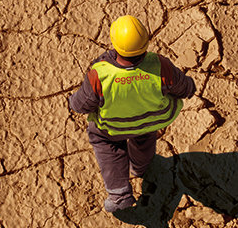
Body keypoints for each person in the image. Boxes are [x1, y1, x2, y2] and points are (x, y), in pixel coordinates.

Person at [69, 15, 196, 213]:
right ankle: (140, 168)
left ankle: (120, 195)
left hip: (113, 127)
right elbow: (185, 88)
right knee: (144, 136)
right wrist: (189, 86)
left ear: (114, 44)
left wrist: (72, 101)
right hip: (150, 121)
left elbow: (81, 105)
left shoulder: (100, 74)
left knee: (105, 143)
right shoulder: (160, 65)